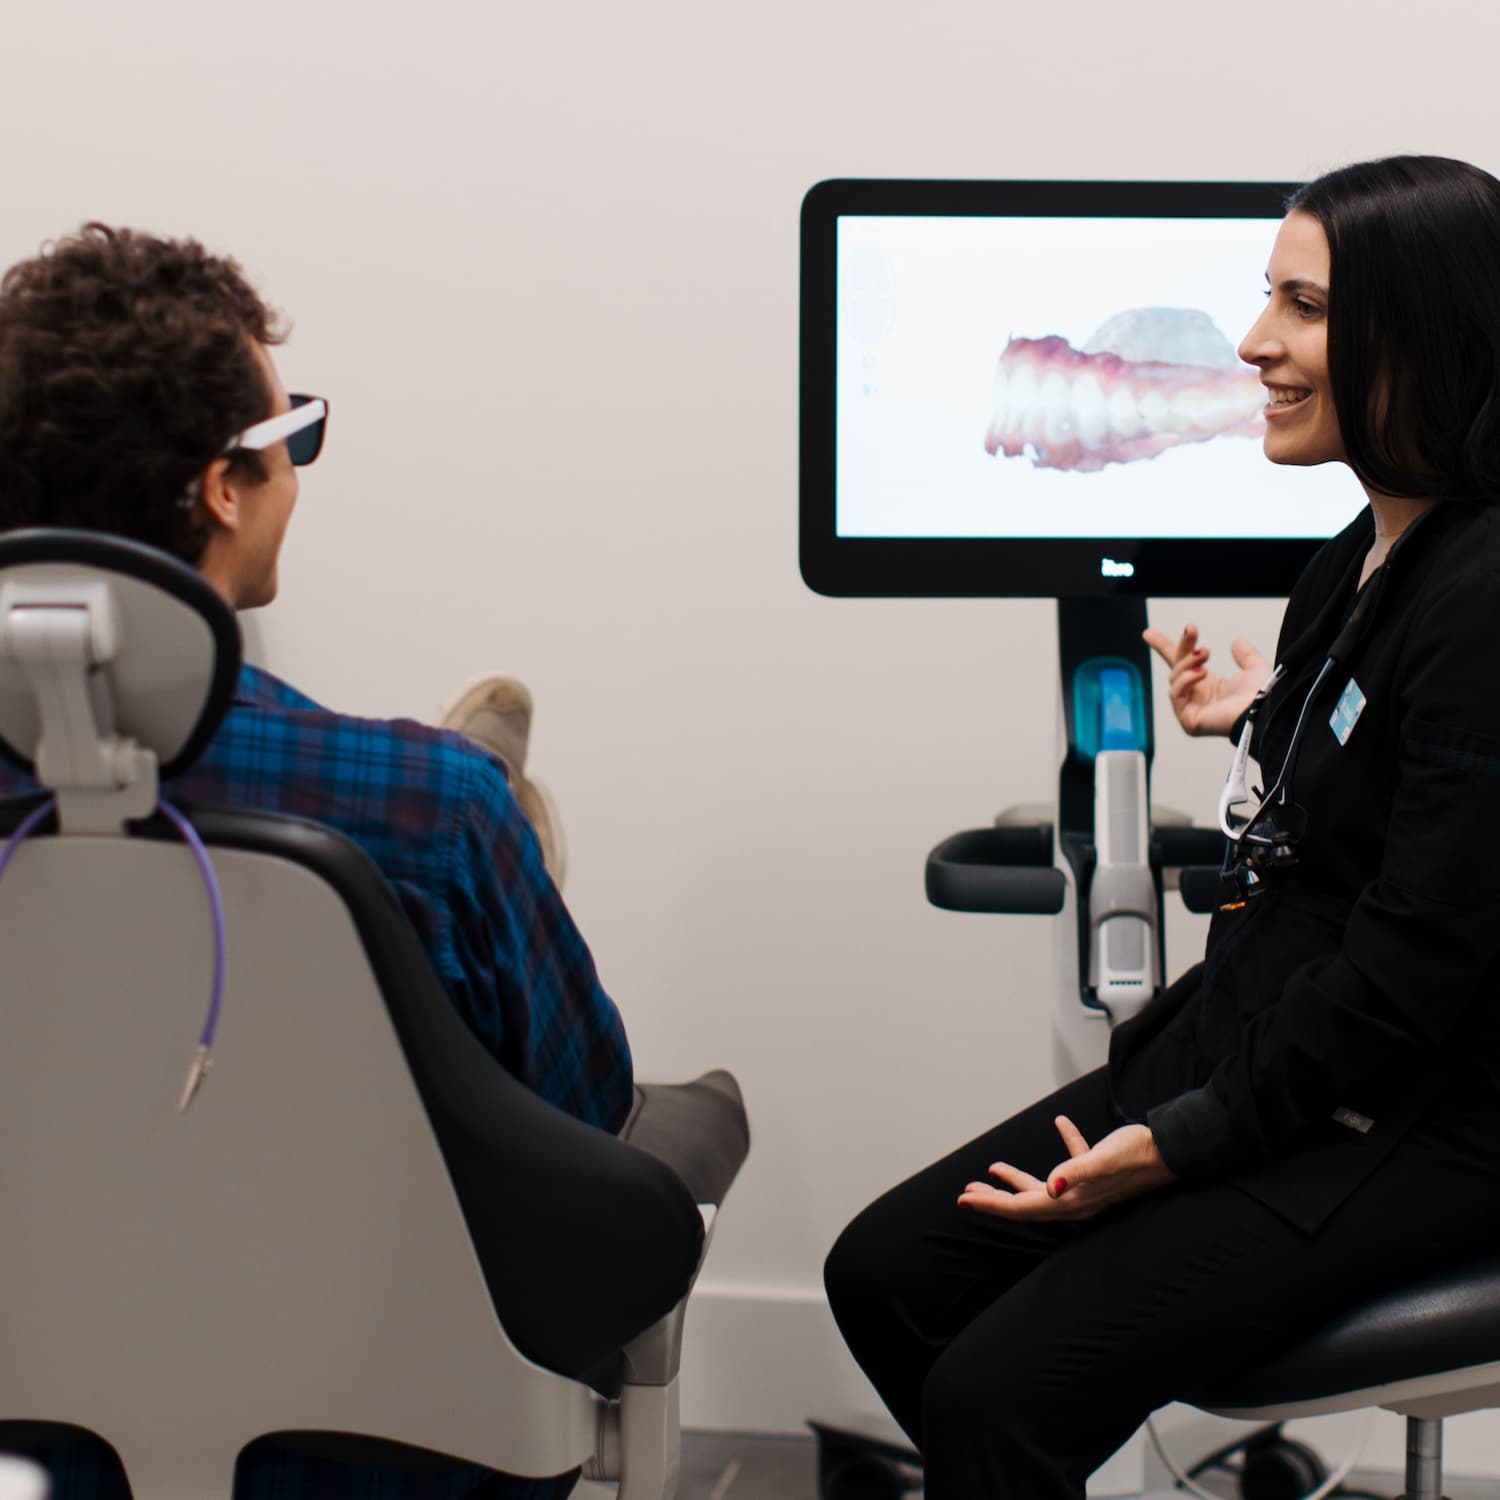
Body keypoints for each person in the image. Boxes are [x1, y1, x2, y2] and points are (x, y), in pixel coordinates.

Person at [824, 154, 1500, 1500]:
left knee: (993, 1396)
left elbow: (1416, 962)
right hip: (1282, 1046)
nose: (1255, 343)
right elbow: (1384, 772)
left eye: (1301, 306)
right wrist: (1270, 717)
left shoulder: (1487, 596)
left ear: (1420, 327)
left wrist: (1182, 1140)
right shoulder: (1361, 555)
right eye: (1267, 300)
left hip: (1414, 1118)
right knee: (886, 1276)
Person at [0, 224, 622, 1499]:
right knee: (456, 843)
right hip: (390, 1438)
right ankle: (519, 837)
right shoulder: (420, 804)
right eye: (295, 440)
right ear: (225, 488)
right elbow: (585, 1102)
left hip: (35, 1439)